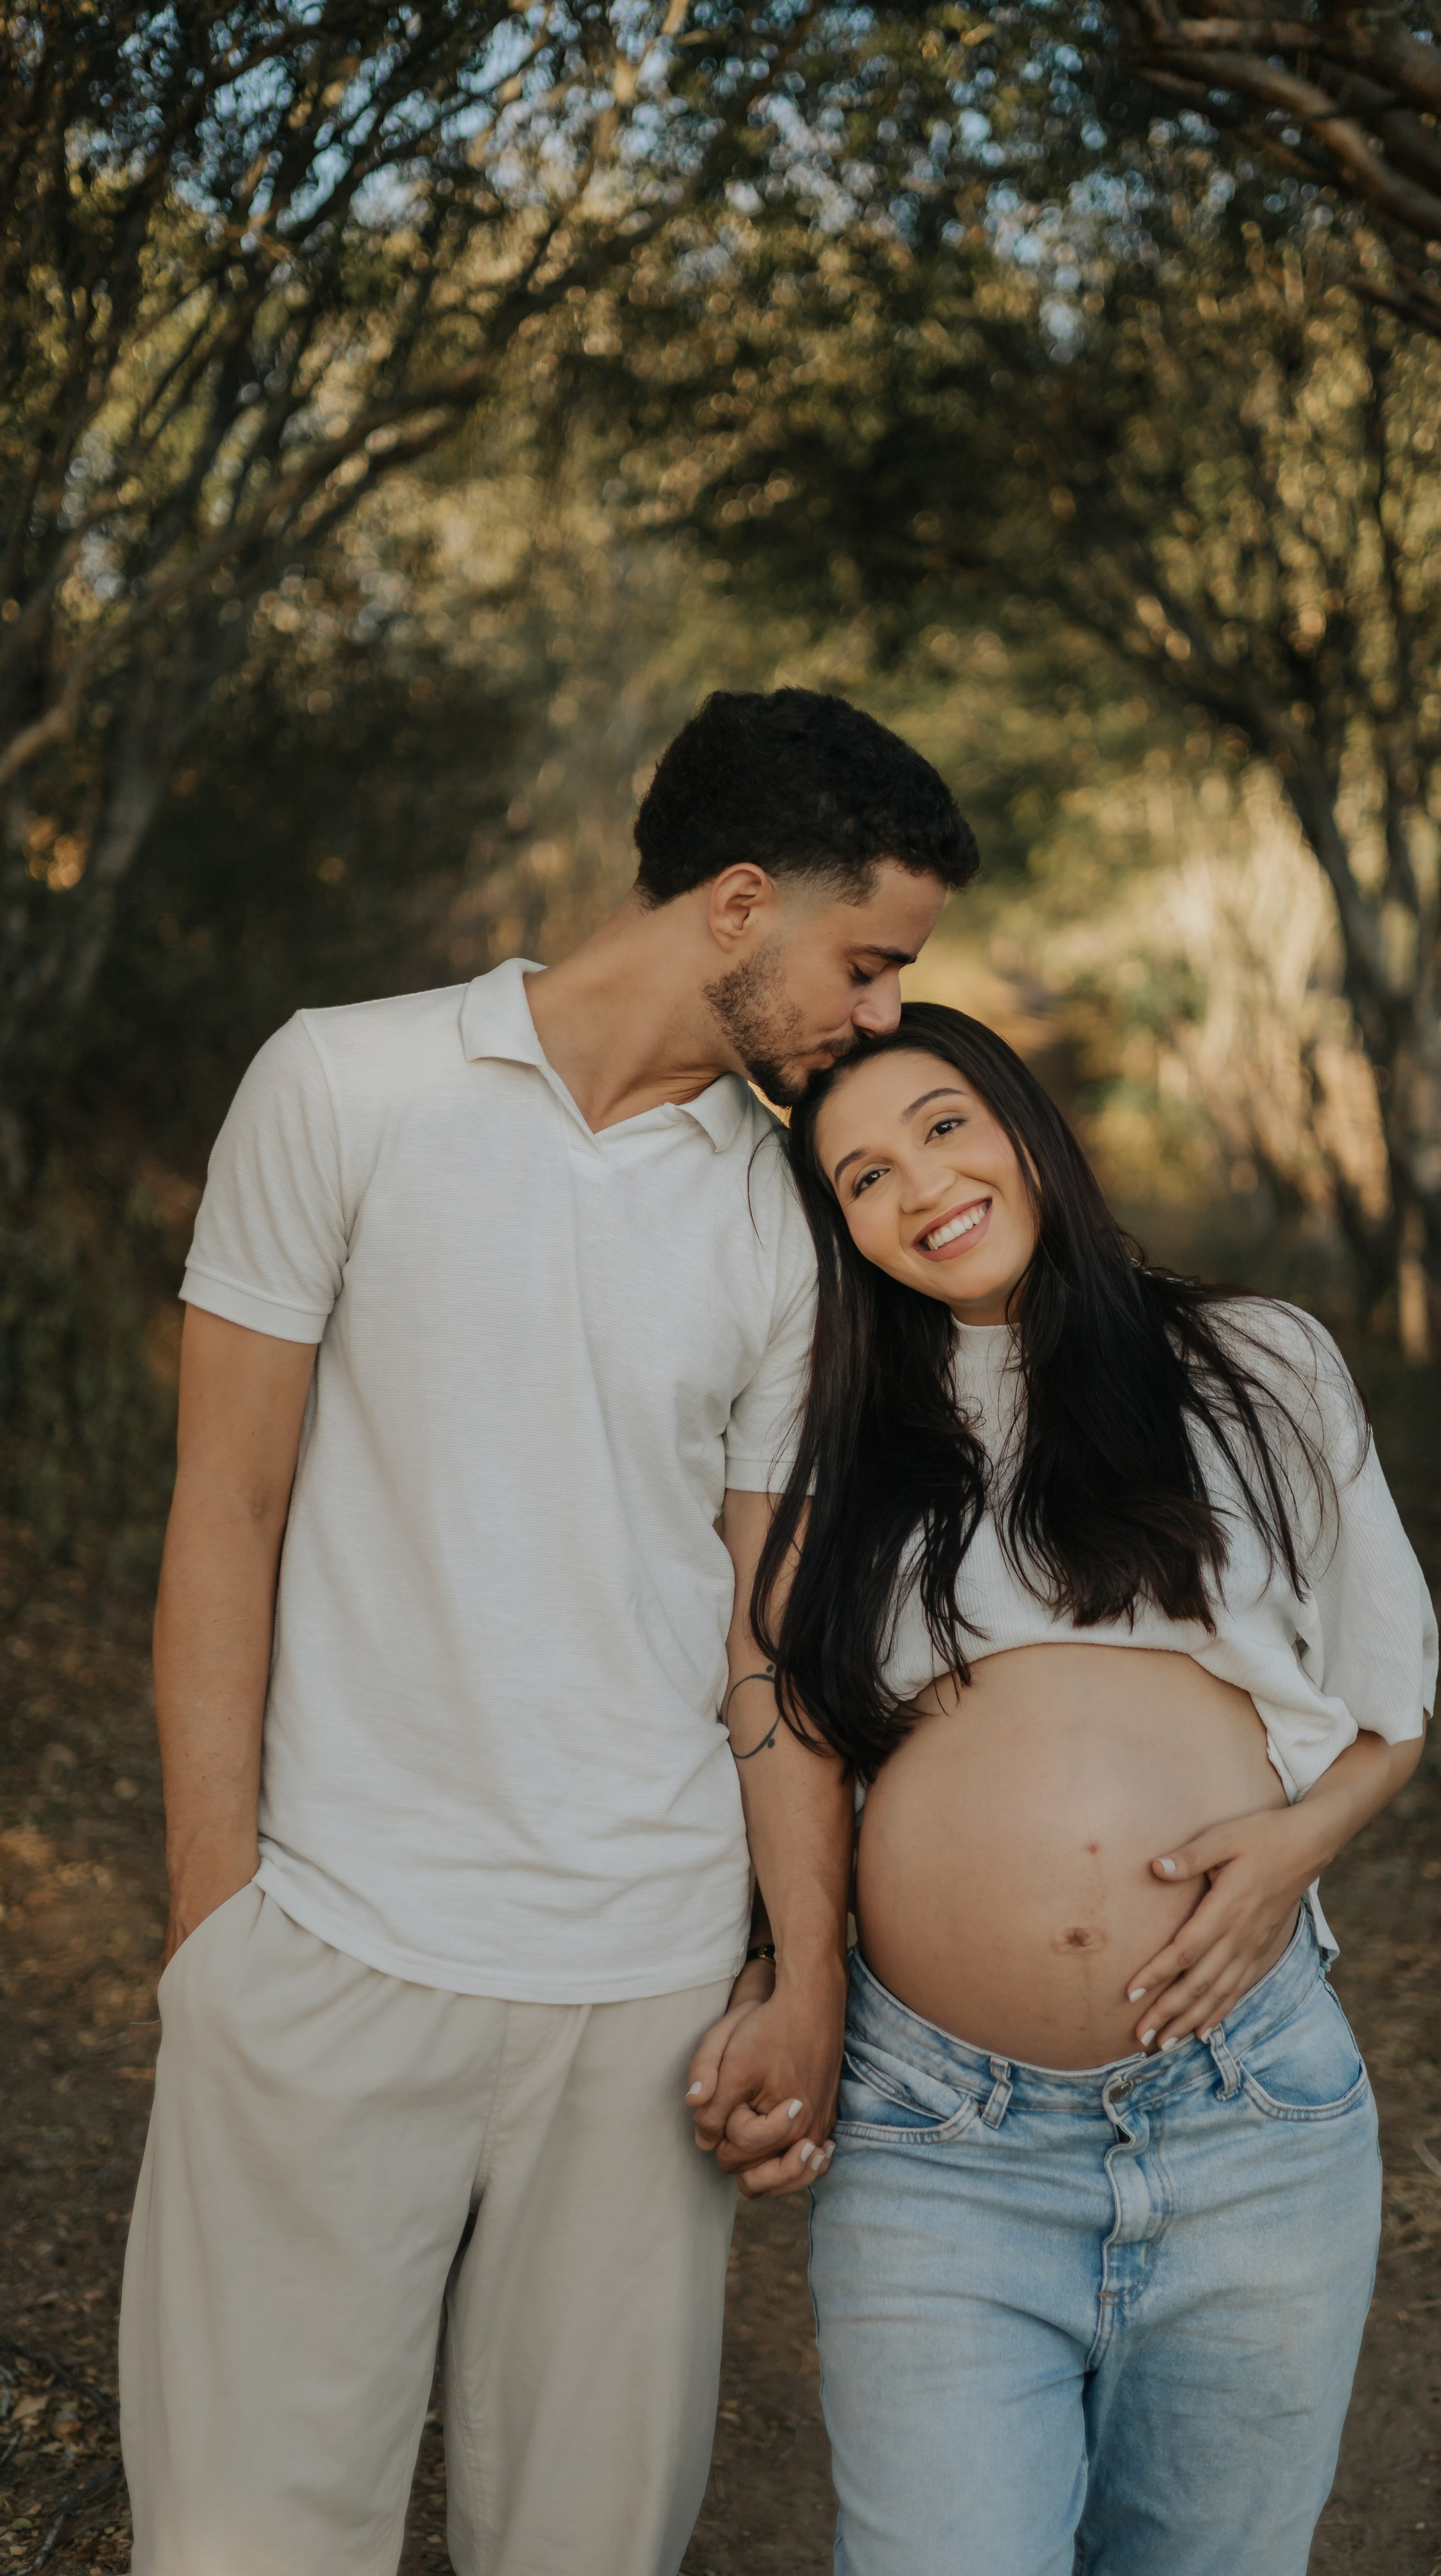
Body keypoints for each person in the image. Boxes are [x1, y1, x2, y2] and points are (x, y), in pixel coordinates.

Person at [119, 691, 977, 2576]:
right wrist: (215, 1934)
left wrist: (803, 1969)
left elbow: (769, 1627)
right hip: (334, 1948)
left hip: (645, 1997)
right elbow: (225, 1517)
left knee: (586, 2546)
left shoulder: (786, 1220)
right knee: (243, 2543)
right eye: (870, 961)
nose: (884, 1013)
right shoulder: (345, 1085)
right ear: (740, 904)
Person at [747, 1002, 1438, 2576]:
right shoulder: (831, 1431)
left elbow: (1392, 1707)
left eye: (939, 1127)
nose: (916, 1188)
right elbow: (783, 1727)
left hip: (1247, 2115)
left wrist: (1285, 1857)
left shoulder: (1254, 1361)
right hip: (936, 2137)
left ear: (1020, 1120)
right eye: (858, 1180)